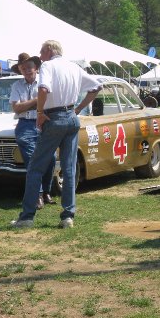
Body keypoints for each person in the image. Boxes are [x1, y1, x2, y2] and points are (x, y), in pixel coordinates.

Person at [11, 40, 102, 228]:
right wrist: (77, 109)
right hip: (71, 117)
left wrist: (39, 112)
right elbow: (96, 87)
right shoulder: (74, 67)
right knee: (69, 169)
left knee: (36, 167)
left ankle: (27, 217)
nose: (40, 55)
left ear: (50, 50)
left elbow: (43, 89)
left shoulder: (48, 66)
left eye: (41, 51)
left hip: (54, 117)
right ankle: (68, 216)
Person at [9, 54, 56, 209]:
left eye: (29, 67)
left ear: (36, 68)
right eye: (23, 68)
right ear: (20, 70)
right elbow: (16, 108)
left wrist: (26, 104)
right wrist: (39, 100)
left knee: (51, 159)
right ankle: (38, 194)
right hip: (25, 125)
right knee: (32, 159)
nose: (27, 70)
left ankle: (47, 191)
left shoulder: (44, 82)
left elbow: (50, 101)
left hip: (43, 123)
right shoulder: (16, 85)